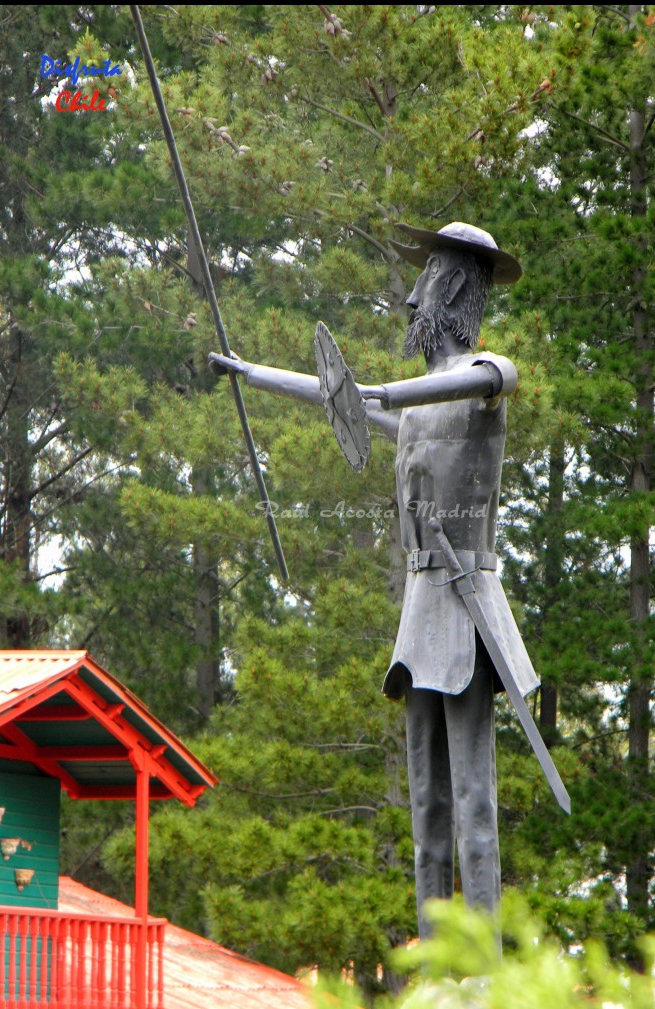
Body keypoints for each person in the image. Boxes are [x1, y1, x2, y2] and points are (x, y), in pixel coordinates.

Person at [210, 222, 540, 938]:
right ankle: (433, 966)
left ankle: (482, 977)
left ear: (451, 289)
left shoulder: (486, 378)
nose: (413, 294)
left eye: (427, 279)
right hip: (422, 610)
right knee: (428, 806)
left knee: (475, 808)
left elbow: (462, 383)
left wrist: (382, 389)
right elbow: (345, 401)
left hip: (468, 602)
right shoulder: (416, 408)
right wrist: (252, 373)